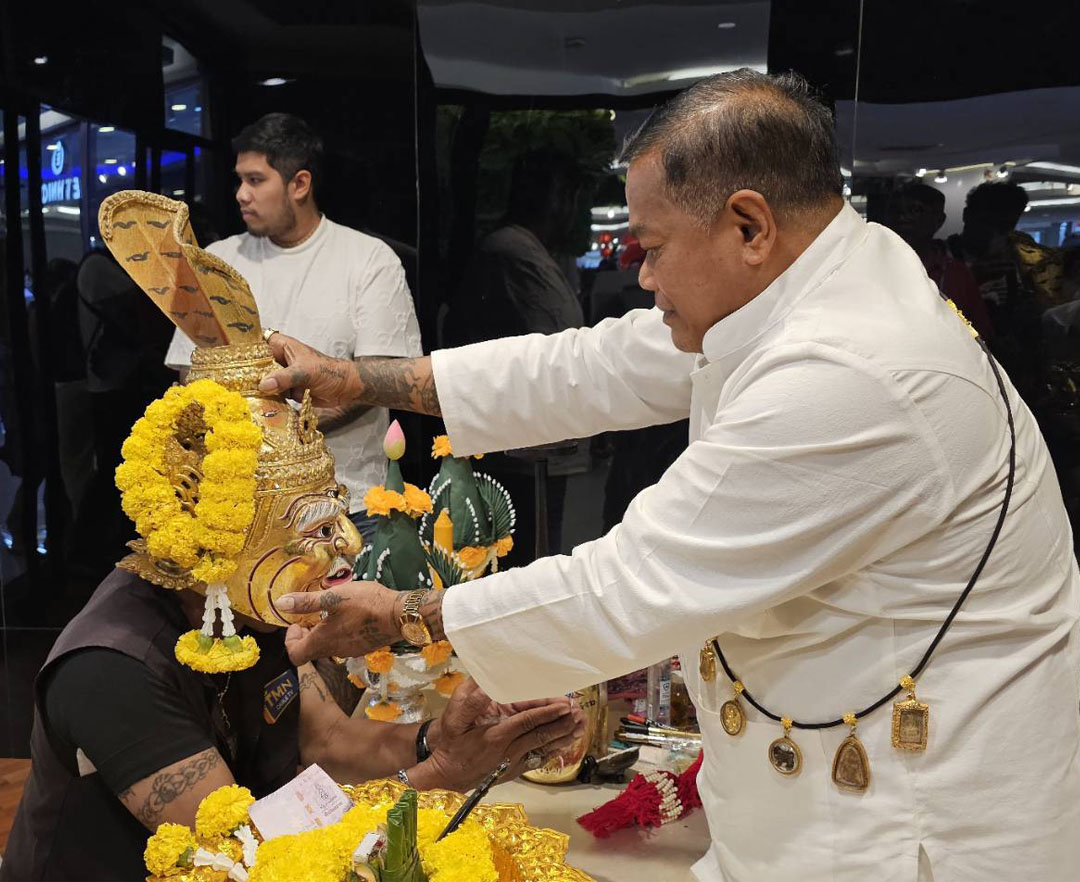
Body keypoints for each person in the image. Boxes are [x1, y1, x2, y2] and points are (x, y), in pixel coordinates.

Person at [255, 70, 1080, 881]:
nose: (642, 276)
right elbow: (593, 365)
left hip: (909, 823)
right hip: (809, 797)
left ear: (749, 226)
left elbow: (629, 586)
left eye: (652, 249)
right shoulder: (814, 280)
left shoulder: (852, 368)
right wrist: (357, 379)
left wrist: (402, 614)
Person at [0, 192, 578, 882]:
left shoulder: (249, 604)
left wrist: (434, 740)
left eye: (334, 515)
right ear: (222, 530)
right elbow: (252, 856)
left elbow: (326, 743)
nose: (348, 545)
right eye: (312, 526)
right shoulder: (111, 667)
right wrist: (440, 774)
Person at [164, 112, 422, 541]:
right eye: (239, 180)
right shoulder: (215, 261)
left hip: (347, 507)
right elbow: (188, 375)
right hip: (239, 510)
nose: (241, 194)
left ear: (299, 184)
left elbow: (382, 379)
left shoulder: (369, 260)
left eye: (255, 180)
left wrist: (268, 434)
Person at [881, 182, 993, 339]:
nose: (902, 218)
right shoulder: (871, 265)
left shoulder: (956, 274)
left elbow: (978, 334)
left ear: (939, 220)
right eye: (895, 210)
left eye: (916, 210)